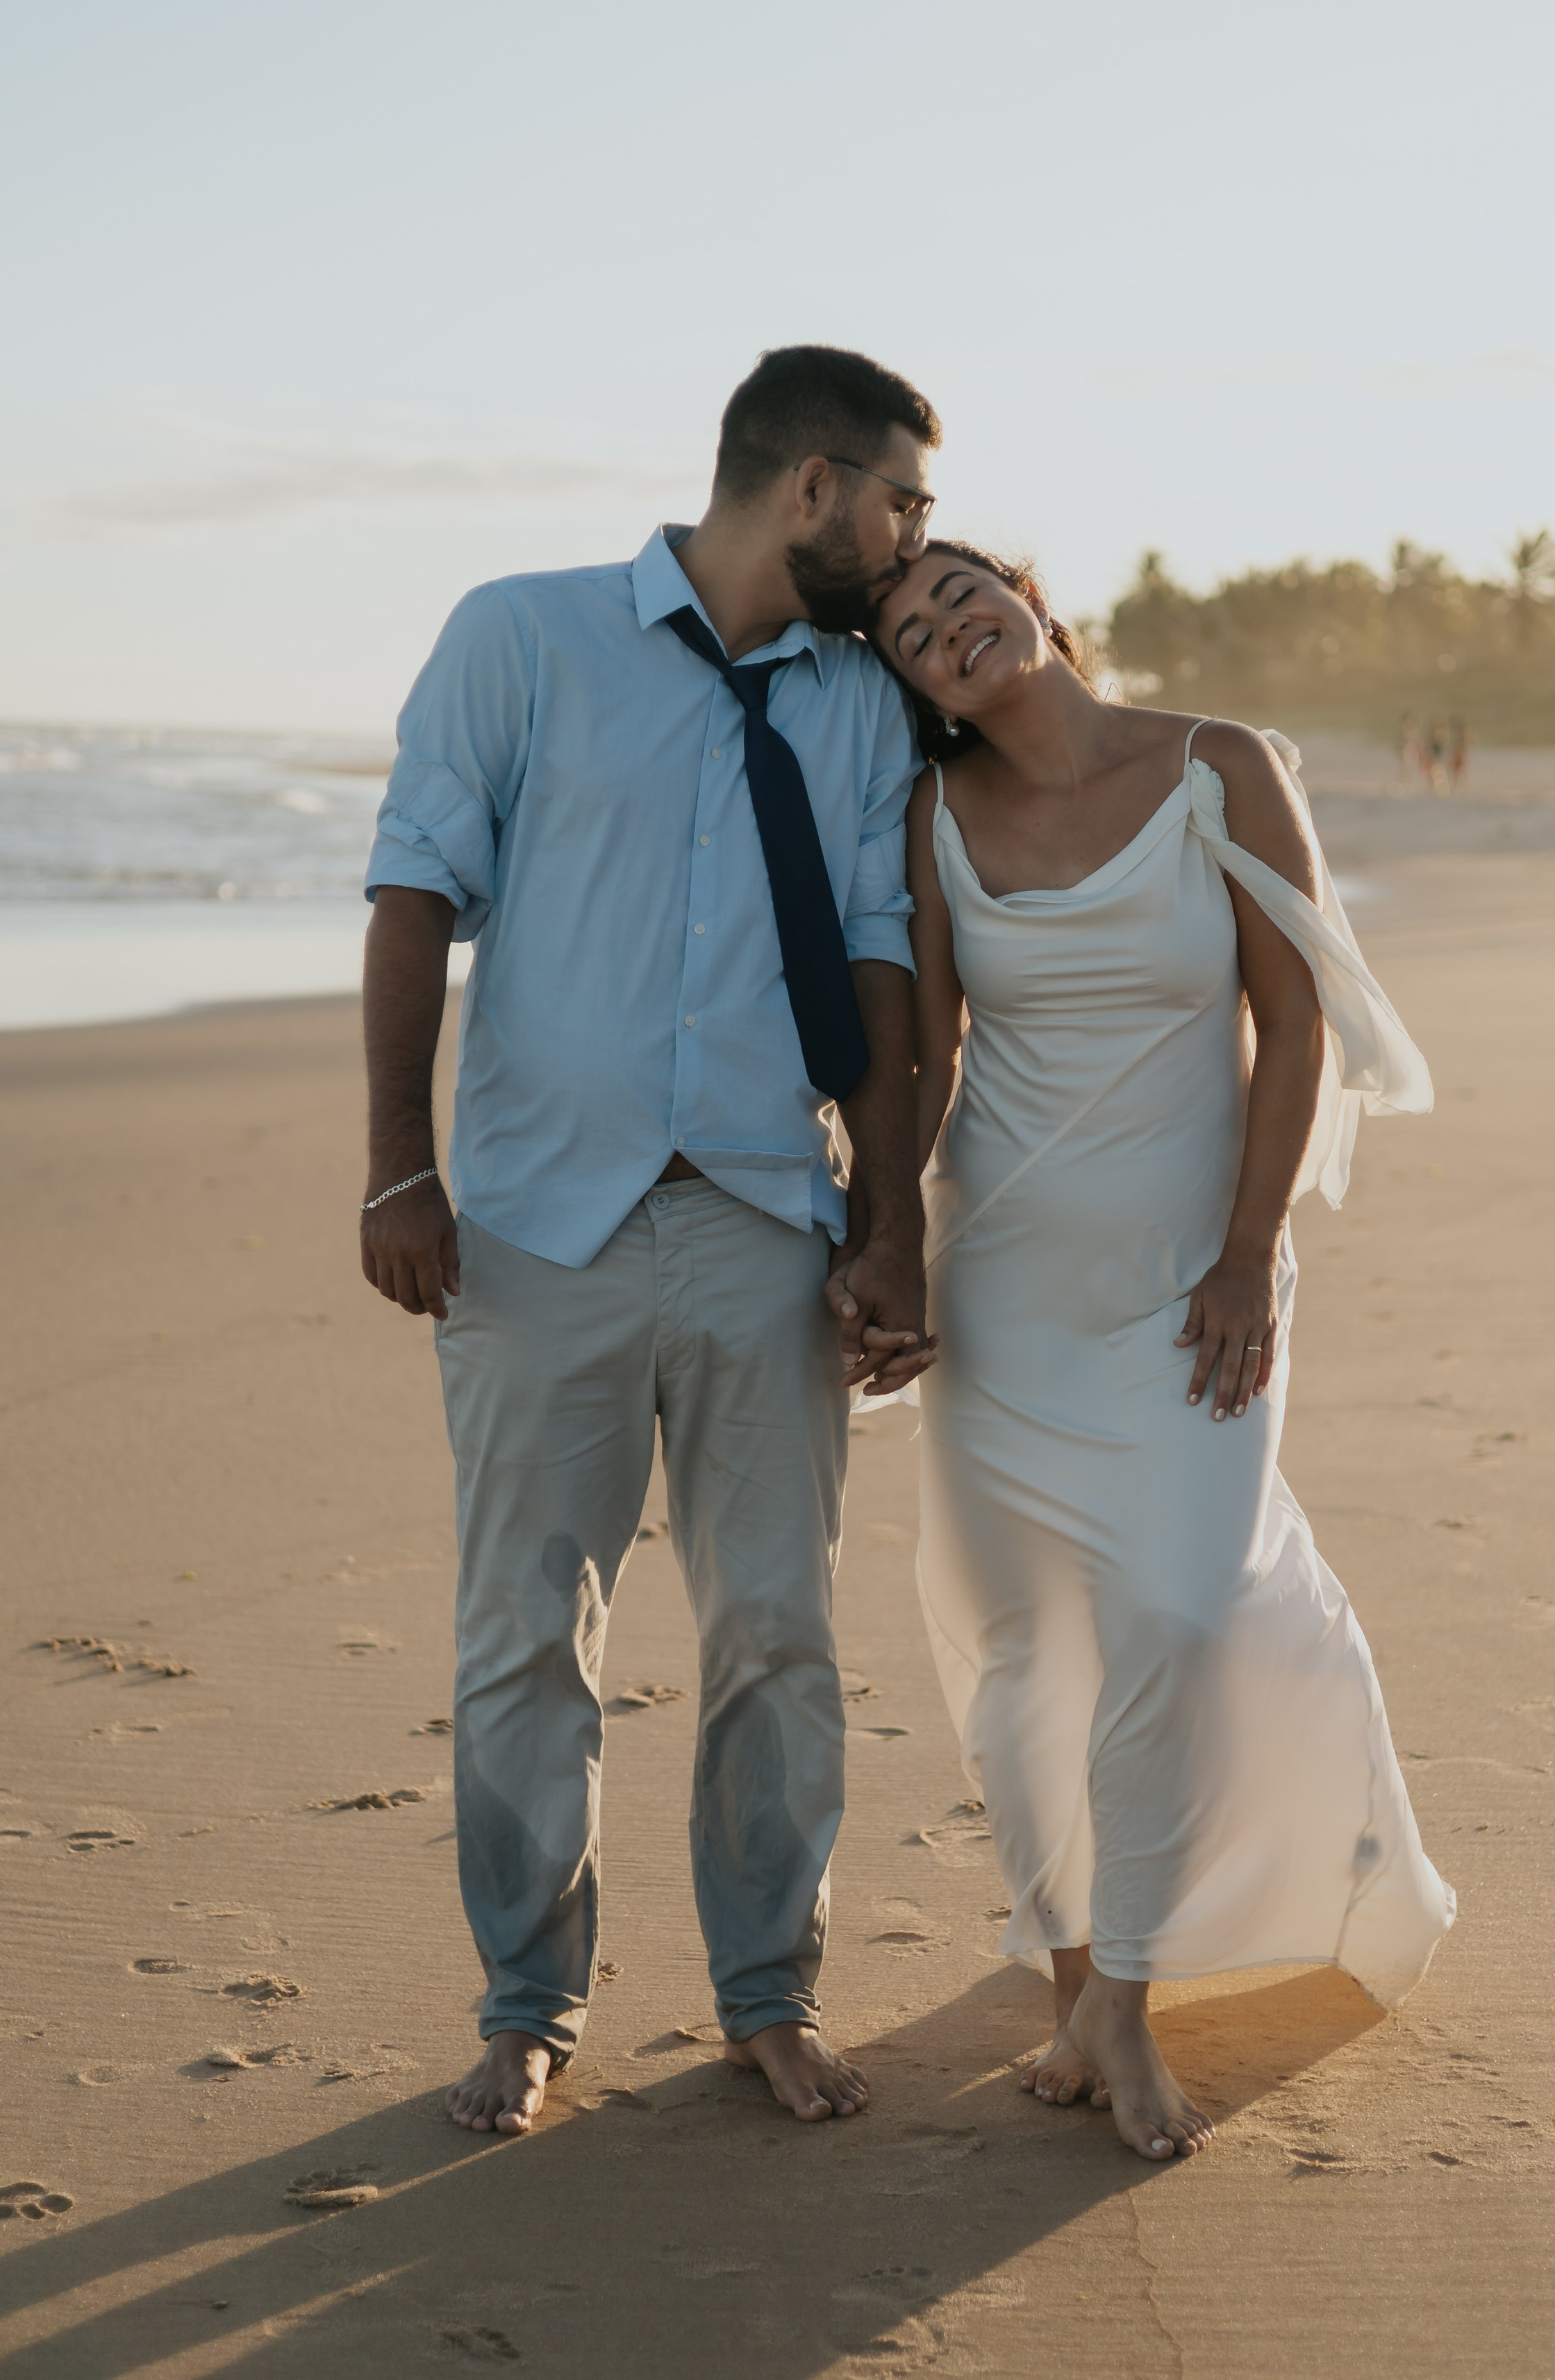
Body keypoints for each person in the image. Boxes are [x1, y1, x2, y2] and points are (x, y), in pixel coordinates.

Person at [360, 345, 940, 2138]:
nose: (918, 539)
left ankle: (769, 1993)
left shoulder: (857, 701)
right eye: (902, 502)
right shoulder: (520, 637)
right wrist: (396, 1171)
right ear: (812, 485)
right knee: (524, 1633)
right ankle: (528, 2005)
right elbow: (413, 891)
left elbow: (882, 964)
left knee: (777, 1628)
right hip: (539, 1226)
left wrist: (891, 1222)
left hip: (768, 1221)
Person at [864, 540, 1454, 2163]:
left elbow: (1295, 1015)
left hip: (1190, 1289)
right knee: (1018, 1650)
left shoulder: (1218, 766)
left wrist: (1248, 1251)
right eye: (909, 633)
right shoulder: (933, 814)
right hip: (1001, 1292)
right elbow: (925, 1052)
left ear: (1032, 603)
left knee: (1177, 1617)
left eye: (961, 593)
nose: (945, 628)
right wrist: (882, 1238)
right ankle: (1078, 1981)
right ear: (915, 687)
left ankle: (1124, 1989)